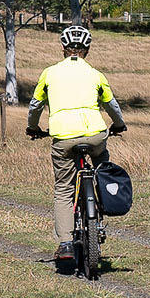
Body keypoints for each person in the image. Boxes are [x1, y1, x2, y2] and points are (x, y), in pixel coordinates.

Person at [25, 25, 128, 275]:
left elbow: (35, 105)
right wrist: (119, 124)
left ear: (63, 48)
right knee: (102, 165)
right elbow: (111, 104)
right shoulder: (95, 74)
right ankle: (101, 205)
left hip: (63, 137)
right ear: (88, 49)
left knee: (63, 188)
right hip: (95, 135)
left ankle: (65, 243)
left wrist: (33, 128)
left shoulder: (49, 74)